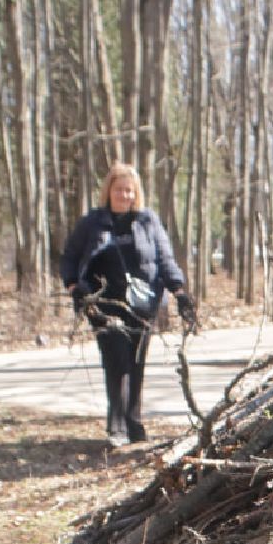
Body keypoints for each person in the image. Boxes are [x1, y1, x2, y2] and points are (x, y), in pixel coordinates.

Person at [59, 161, 195, 444]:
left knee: (135, 362)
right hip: (103, 303)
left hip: (142, 304)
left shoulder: (148, 221)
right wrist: (74, 286)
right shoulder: (92, 222)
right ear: (109, 191)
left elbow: (165, 259)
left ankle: (134, 423)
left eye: (130, 191)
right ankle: (117, 427)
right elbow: (69, 257)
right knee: (116, 359)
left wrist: (180, 292)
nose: (125, 196)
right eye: (119, 190)